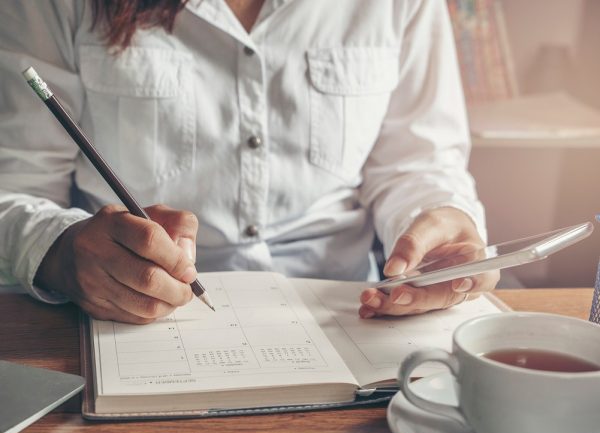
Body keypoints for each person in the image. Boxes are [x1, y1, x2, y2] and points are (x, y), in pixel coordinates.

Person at [0, 0, 497, 324]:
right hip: (128, 319)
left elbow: (419, 160)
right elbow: (14, 185)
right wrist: (62, 251)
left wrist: (440, 220)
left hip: (353, 311)